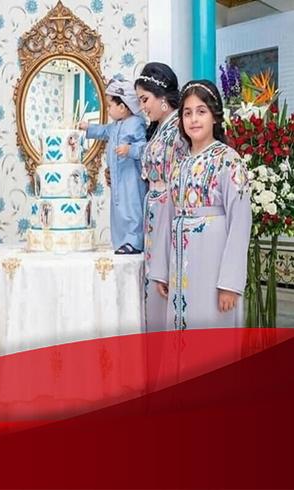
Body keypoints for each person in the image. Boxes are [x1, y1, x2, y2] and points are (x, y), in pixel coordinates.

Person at [148, 80, 251, 329]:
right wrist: (161, 270)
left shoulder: (229, 160)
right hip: (180, 268)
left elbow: (240, 223)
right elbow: (167, 218)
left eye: (201, 111)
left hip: (213, 268)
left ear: (214, 116)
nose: (193, 119)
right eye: (187, 113)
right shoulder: (179, 164)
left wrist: (230, 283)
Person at [135, 62, 184, 331]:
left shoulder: (177, 130)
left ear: (162, 97)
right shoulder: (160, 128)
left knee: (163, 281)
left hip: (169, 208)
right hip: (154, 208)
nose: (142, 107)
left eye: (145, 99)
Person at [79, 76, 147, 254]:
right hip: (117, 175)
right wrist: (87, 127)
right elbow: (103, 130)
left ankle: (134, 241)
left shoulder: (136, 124)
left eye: (110, 106)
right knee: (118, 209)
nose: (108, 110)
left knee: (132, 208)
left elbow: (144, 147)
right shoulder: (115, 126)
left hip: (131, 175)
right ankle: (122, 241)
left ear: (122, 107)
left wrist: (129, 149)